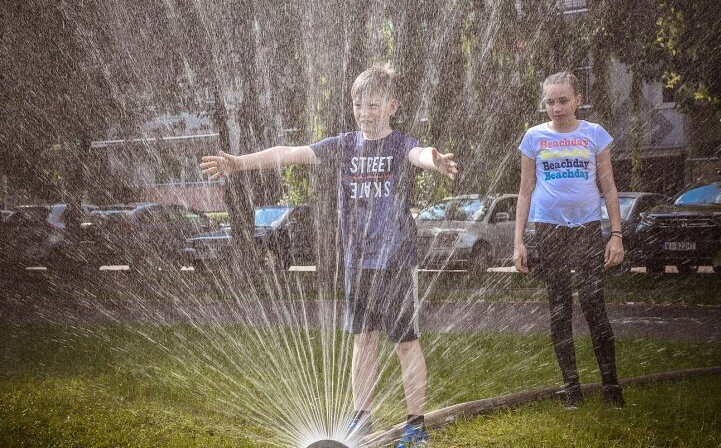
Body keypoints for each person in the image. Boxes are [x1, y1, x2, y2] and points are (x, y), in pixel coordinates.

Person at [200, 63, 457, 447]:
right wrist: (239, 163)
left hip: (396, 262)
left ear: (392, 106)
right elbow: (288, 153)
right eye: (358, 104)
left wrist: (433, 160)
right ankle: (361, 420)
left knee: (405, 343)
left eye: (373, 104)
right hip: (357, 263)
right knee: (363, 340)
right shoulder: (343, 146)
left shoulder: (400, 144)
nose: (364, 112)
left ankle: (415, 426)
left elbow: (419, 154)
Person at [513, 71, 625, 408]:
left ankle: (611, 388)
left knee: (594, 306)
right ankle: (571, 389)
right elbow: (525, 191)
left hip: (587, 229)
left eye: (564, 100)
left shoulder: (595, 135)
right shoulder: (533, 138)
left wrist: (616, 235)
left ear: (577, 100)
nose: (557, 108)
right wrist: (518, 242)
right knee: (559, 309)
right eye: (550, 101)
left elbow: (609, 188)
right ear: (544, 104)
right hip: (549, 229)